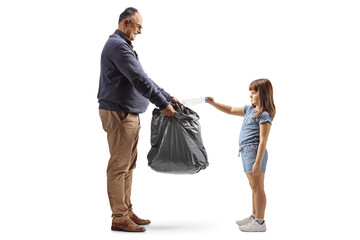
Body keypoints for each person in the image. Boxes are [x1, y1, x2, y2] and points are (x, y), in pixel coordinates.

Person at [97, 7, 181, 232]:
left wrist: (167, 96)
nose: (140, 31)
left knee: (128, 165)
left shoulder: (123, 47)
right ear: (126, 23)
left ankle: (126, 210)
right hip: (119, 113)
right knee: (119, 165)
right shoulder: (118, 46)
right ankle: (119, 217)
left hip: (129, 113)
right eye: (138, 26)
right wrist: (162, 105)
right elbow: (138, 79)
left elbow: (144, 77)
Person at [206, 78, 275, 232]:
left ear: (263, 94)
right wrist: (213, 103)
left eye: (254, 93)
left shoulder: (264, 114)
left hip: (255, 151)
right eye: (250, 93)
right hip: (245, 151)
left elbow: (263, 140)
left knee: (258, 187)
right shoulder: (249, 110)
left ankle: (260, 222)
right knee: (253, 187)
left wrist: (258, 161)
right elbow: (230, 110)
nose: (250, 96)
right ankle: (254, 215)